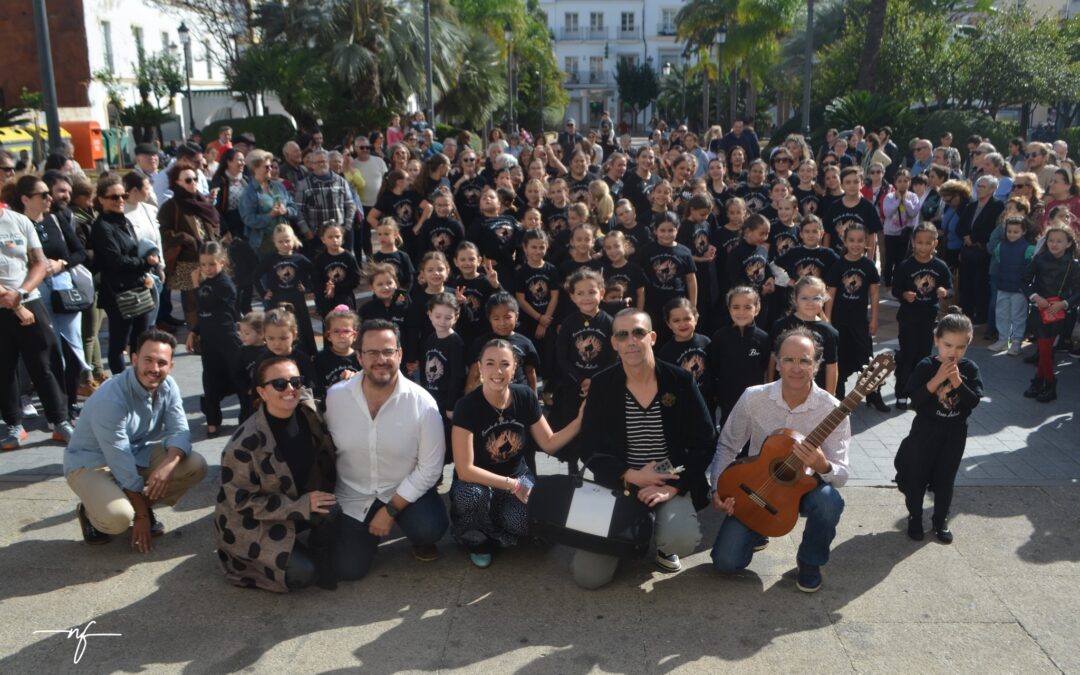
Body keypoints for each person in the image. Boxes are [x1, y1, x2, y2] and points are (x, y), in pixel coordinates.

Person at [573, 308, 716, 589]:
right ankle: (629, 536)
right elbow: (588, 445)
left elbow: (704, 440)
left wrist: (672, 485)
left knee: (680, 539)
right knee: (588, 577)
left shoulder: (680, 381)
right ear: (614, 342)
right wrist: (631, 475)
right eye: (622, 335)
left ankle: (662, 542)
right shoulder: (603, 384)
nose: (631, 341)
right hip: (619, 480)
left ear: (651, 337)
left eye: (638, 332)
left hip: (667, 475)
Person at [710, 327, 851, 593]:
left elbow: (842, 473)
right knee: (725, 563)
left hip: (804, 488)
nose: (796, 368)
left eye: (804, 360)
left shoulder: (832, 409)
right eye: (788, 359)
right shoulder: (754, 397)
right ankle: (759, 529)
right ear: (777, 361)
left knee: (830, 500)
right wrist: (717, 487)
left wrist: (823, 465)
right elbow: (728, 445)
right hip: (759, 487)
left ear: (817, 365)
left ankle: (810, 563)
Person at [325, 319, 449, 580]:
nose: (380, 359)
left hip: (402, 490)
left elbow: (430, 468)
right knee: (348, 570)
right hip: (353, 494)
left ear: (400, 354)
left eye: (388, 351)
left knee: (430, 527)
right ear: (358, 356)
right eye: (371, 352)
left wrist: (390, 510)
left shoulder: (423, 404)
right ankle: (365, 535)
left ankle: (402, 529)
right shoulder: (336, 397)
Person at [63, 329, 207, 548]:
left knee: (194, 464)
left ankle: (136, 503)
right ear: (134, 359)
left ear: (171, 366)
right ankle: (91, 511)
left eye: (162, 362)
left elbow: (179, 431)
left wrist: (169, 465)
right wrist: (140, 516)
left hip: (136, 452)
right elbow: (118, 457)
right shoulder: (111, 398)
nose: (154, 369)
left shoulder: (168, 386)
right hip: (92, 462)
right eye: (148, 360)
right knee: (118, 518)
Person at [450, 338, 583, 568]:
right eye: (490, 363)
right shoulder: (467, 406)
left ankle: (493, 523)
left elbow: (549, 443)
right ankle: (473, 535)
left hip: (516, 477)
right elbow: (465, 470)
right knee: (471, 497)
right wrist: (513, 485)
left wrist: (581, 421)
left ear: (514, 368)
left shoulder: (525, 396)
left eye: (505, 364)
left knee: (526, 525)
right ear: (480, 367)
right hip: (478, 483)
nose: (497, 371)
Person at [215, 355, 341, 591]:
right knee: (303, 574)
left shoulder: (308, 409)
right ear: (262, 393)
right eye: (280, 384)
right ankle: (240, 561)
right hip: (254, 521)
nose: (290, 389)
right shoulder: (243, 444)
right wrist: (300, 505)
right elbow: (242, 502)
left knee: (332, 509)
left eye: (296, 381)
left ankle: (317, 551)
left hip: (294, 499)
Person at [0, 177, 76, 449]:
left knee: (45, 364)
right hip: (6, 307)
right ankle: (13, 425)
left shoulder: (18, 221)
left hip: (28, 300)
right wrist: (14, 303)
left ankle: (60, 422)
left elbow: (39, 262)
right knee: (4, 369)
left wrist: (20, 295)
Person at [894, 310, 982, 543]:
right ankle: (914, 517)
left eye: (960, 347)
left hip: (953, 435)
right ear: (937, 341)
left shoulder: (970, 369)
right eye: (948, 345)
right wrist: (936, 380)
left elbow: (973, 401)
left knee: (946, 479)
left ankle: (940, 519)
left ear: (968, 345)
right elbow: (915, 400)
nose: (953, 352)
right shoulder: (926, 365)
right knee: (917, 477)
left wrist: (957, 382)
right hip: (925, 433)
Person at [91, 174, 159, 375]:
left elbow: (133, 250)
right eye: (114, 197)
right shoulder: (102, 227)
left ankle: (140, 376)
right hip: (118, 292)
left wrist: (149, 257)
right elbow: (116, 261)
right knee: (119, 342)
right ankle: (121, 382)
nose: (120, 200)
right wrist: (144, 262)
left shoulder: (124, 221)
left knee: (142, 338)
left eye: (123, 195)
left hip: (137, 286)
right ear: (102, 199)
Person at [158, 163, 222, 331]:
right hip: (188, 261)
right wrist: (185, 238)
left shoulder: (201, 202)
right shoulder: (170, 206)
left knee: (213, 297)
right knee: (192, 302)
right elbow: (164, 233)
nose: (193, 183)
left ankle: (213, 329)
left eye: (195, 179)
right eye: (188, 180)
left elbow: (213, 223)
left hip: (210, 258)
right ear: (176, 183)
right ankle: (196, 335)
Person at [1022, 225, 1079, 403]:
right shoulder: (1039, 259)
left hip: (1059, 313)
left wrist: (1064, 303)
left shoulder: (1073, 264)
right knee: (1045, 349)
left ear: (1068, 243)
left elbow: (1078, 290)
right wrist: (1035, 296)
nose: (1054, 244)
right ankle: (1049, 382)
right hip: (1040, 310)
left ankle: (1040, 381)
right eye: (1051, 240)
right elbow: (1024, 281)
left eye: (1059, 241)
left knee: (1046, 350)